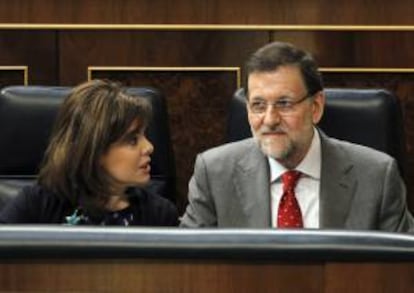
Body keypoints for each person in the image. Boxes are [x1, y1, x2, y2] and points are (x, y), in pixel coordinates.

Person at [180, 41, 414, 231]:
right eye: (258, 105)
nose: (270, 119)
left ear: (316, 107)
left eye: (284, 103)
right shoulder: (214, 173)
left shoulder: (376, 177)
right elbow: (186, 269)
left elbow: (403, 270)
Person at [0, 79, 178, 226]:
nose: (149, 147)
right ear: (94, 149)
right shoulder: (35, 205)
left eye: (144, 135)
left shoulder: (159, 214)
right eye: (132, 140)